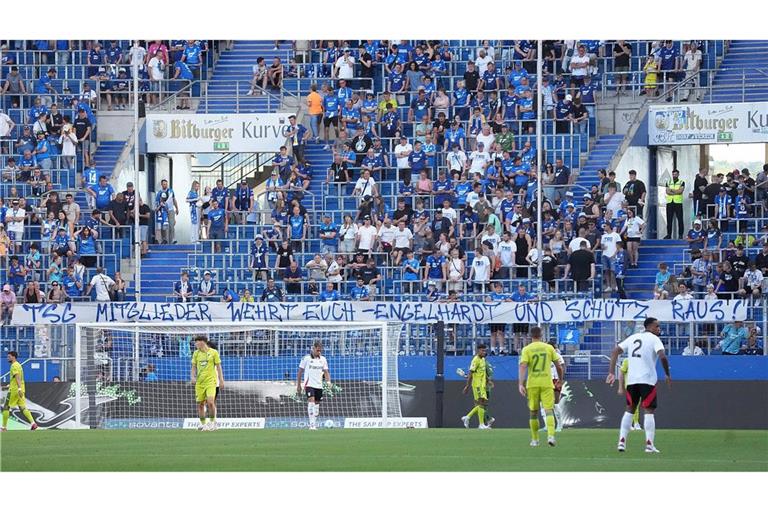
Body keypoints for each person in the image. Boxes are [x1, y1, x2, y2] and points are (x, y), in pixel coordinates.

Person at [606, 317, 671, 453]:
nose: (659, 329)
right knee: (649, 411)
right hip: (647, 380)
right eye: (657, 326)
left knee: (629, 409)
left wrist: (611, 372)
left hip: (632, 381)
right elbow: (663, 357)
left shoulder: (633, 337)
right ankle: (649, 444)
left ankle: (621, 442)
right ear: (650, 327)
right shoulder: (654, 339)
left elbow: (615, 352)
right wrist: (667, 374)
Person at [518, 326, 564, 447]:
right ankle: (551, 436)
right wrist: (560, 379)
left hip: (532, 384)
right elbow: (559, 366)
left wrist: (520, 383)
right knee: (549, 410)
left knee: (533, 412)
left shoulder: (527, 349)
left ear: (530, 336)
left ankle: (535, 440)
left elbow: (523, 366)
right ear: (541, 335)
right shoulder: (548, 348)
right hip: (546, 383)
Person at [191, 335, 223, 431]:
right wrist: (192, 377)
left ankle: (213, 422)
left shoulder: (213, 353)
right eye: (195, 342)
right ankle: (203, 424)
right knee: (200, 404)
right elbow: (193, 366)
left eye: (197, 342)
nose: (196, 344)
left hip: (211, 382)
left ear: (203, 342)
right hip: (200, 383)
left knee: (210, 402)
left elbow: (218, 367)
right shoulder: (196, 353)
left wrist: (221, 380)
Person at [297, 341, 331, 430]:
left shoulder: (323, 359)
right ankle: (312, 425)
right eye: (317, 350)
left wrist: (328, 382)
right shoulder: (306, 358)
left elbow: (326, 372)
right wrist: (298, 385)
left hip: (319, 386)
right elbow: (300, 372)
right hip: (309, 384)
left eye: (320, 351)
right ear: (313, 348)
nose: (319, 352)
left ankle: (314, 424)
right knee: (311, 403)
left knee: (317, 406)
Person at [1, 351, 39, 431]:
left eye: (9, 356)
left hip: (15, 390)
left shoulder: (14, 365)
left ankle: (4, 427)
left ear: (13, 357)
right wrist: (17, 387)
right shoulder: (18, 365)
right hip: (20, 389)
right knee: (22, 407)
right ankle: (33, 423)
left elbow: (17, 377)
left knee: (6, 407)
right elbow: (16, 379)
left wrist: (18, 388)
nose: (8, 358)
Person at [461, 343, 492, 430]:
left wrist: (488, 381)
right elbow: (471, 373)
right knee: (481, 403)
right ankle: (481, 424)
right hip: (477, 385)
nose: (484, 352)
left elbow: (483, 372)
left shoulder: (483, 359)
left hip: (482, 385)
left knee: (482, 403)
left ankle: (467, 417)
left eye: (485, 350)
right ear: (478, 351)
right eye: (482, 350)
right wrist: (467, 386)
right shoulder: (475, 360)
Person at [618, 358, 643, 431]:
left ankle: (632, 423)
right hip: (630, 386)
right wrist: (620, 387)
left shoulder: (641, 361)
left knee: (636, 405)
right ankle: (634, 423)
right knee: (632, 405)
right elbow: (622, 372)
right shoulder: (627, 360)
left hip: (639, 385)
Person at [665, 169, 685, 239]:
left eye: (676, 174)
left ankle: (680, 235)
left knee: (680, 219)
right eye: (673, 174)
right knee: (669, 220)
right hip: (670, 202)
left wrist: (672, 190)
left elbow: (680, 191)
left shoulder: (681, 182)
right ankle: (669, 234)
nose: (674, 175)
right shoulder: (668, 182)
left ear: (678, 174)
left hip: (678, 203)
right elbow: (667, 192)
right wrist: (676, 191)